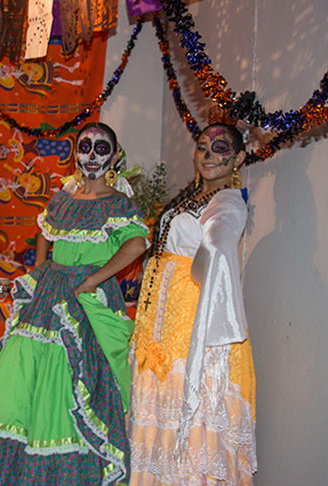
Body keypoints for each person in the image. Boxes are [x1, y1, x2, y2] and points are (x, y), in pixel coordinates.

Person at [0, 122, 148, 485]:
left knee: (71, 377)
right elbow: (44, 231)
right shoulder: (62, 198)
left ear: (115, 156)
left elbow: (137, 245)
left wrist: (93, 279)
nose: (91, 156)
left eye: (101, 149)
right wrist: (42, 267)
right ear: (75, 153)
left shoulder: (119, 204)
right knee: (23, 376)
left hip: (86, 303)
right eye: (84, 147)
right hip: (49, 294)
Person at [128, 123, 257, 484]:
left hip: (191, 327)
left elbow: (218, 242)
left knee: (192, 416)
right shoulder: (189, 198)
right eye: (202, 147)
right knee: (158, 410)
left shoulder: (228, 203)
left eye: (220, 148)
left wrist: (213, 254)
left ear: (239, 158)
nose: (209, 155)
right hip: (160, 326)